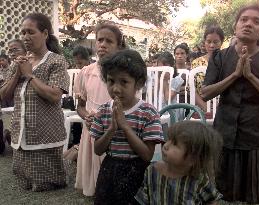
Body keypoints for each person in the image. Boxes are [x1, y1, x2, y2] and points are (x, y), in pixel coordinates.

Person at [201, 4, 259, 203]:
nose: (249, 24)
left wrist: (250, 77)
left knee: (257, 196)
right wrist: (234, 75)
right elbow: (205, 93)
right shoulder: (220, 56)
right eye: (244, 19)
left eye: (256, 21)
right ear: (235, 26)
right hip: (225, 134)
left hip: (257, 138)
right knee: (223, 194)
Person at [0, 13, 69, 191]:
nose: (25, 37)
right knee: (25, 183)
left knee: (45, 185)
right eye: (23, 32)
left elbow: (55, 96)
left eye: (30, 32)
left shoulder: (56, 60)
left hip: (45, 131)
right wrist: (18, 72)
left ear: (45, 33)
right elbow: (4, 96)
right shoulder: (19, 63)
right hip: (21, 130)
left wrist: (30, 75)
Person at [91, 49, 164, 204]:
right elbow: (98, 150)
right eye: (111, 81)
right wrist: (111, 130)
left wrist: (124, 126)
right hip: (109, 170)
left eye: (124, 82)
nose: (116, 89)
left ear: (138, 83)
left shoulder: (148, 112)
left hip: (137, 171)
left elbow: (147, 155)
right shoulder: (103, 110)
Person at [74, 23, 126, 196]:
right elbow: (80, 106)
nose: (102, 44)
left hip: (115, 128)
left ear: (119, 46)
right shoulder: (86, 72)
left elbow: (130, 104)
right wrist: (87, 116)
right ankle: (93, 186)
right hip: (91, 127)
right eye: (99, 40)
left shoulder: (125, 74)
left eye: (109, 41)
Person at [135, 121, 223, 204]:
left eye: (175, 144)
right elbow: (144, 200)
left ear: (193, 159)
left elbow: (212, 200)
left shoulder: (199, 180)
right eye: (169, 139)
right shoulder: (152, 171)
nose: (166, 145)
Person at [191, 25, 224, 112]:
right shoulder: (196, 63)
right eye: (208, 41)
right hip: (200, 109)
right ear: (204, 42)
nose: (212, 45)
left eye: (216, 42)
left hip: (223, 108)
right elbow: (191, 89)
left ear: (221, 42)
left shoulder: (228, 61)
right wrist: (205, 107)